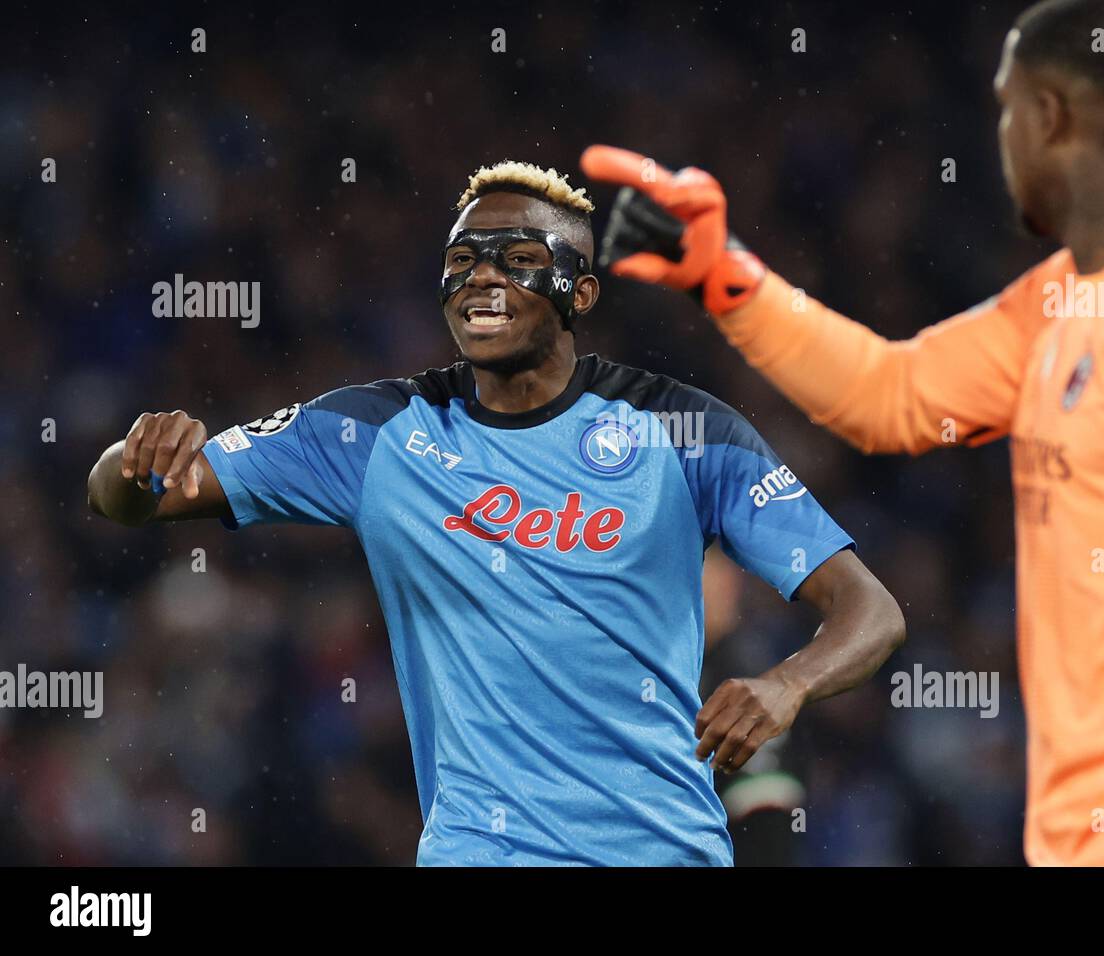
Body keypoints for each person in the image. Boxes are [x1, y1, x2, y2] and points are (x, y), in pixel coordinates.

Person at [581, 0, 1104, 866]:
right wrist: (727, 278)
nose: (999, 139)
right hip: (1085, 833)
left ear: (1048, 117)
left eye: (1005, 109)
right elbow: (893, 394)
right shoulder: (1063, 300)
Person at [87, 160, 905, 866]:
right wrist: (136, 458)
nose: (481, 277)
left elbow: (870, 609)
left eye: (517, 259)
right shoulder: (374, 434)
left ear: (579, 292)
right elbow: (126, 497)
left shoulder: (683, 432)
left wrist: (789, 684)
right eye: (462, 260)